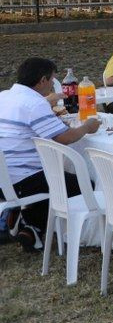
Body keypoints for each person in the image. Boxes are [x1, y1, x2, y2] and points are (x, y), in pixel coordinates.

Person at [0, 58, 102, 251]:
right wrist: (87, 126)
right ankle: (31, 222)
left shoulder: (4, 96)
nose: (52, 87)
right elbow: (65, 138)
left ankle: (29, 226)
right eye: (52, 80)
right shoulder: (34, 103)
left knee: (55, 178)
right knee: (84, 183)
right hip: (21, 179)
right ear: (43, 80)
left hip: (4, 177)